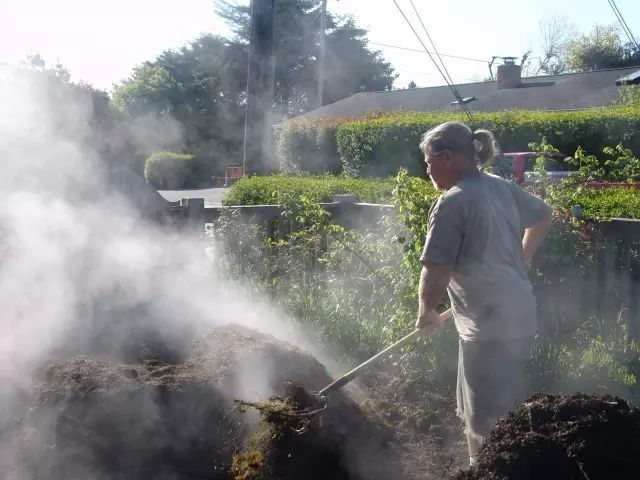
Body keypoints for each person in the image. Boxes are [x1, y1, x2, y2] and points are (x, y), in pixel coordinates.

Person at [415, 121, 552, 465]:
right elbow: (543, 216)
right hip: (518, 315)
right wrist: (523, 256)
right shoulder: (500, 187)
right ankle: (507, 467)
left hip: (486, 326)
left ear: (447, 157)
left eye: (429, 162)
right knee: (503, 404)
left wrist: (427, 312)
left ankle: (485, 471)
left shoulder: (452, 202)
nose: (427, 170)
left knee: (482, 419)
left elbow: (436, 267)